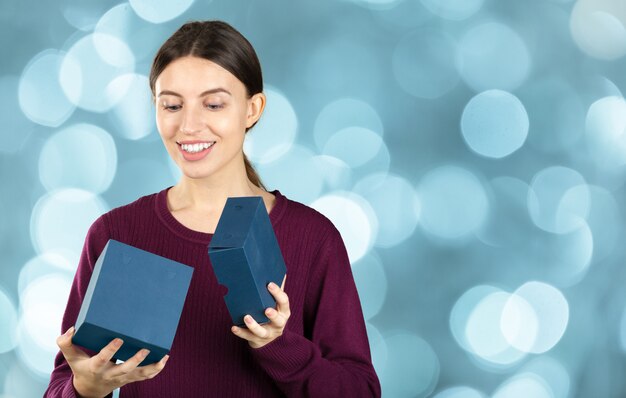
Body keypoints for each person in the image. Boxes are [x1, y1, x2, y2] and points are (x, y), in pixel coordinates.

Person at [44, 20, 381, 397]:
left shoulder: (312, 237)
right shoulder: (116, 234)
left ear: (253, 109)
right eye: (171, 105)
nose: (189, 125)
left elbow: (360, 391)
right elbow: (64, 382)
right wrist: (85, 388)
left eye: (214, 104)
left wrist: (278, 345)